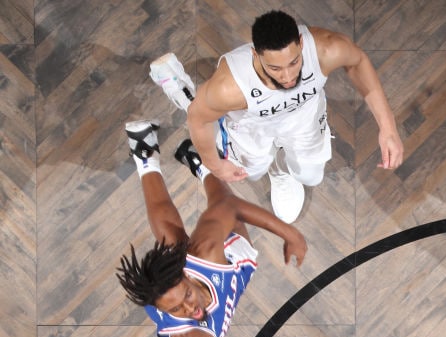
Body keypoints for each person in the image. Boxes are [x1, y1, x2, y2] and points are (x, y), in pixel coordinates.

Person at [116, 120, 307, 337]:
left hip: (220, 262)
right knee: (170, 239)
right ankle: (170, 156)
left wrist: (291, 233)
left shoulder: (205, 252)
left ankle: (180, 159)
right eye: (176, 309)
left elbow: (229, 207)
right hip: (214, 275)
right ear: (164, 311)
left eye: (187, 297)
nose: (189, 310)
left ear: (186, 277)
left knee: (213, 204)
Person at [151, 10, 404, 224]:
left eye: (293, 63)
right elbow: (198, 119)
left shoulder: (327, 49)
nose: (287, 77)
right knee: (248, 169)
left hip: (303, 118)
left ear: (302, 45)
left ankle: (282, 169)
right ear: (255, 55)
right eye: (275, 68)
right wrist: (214, 165)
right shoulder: (230, 88)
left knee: (311, 175)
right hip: (251, 125)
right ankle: (182, 90)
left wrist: (388, 126)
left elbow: (358, 61)